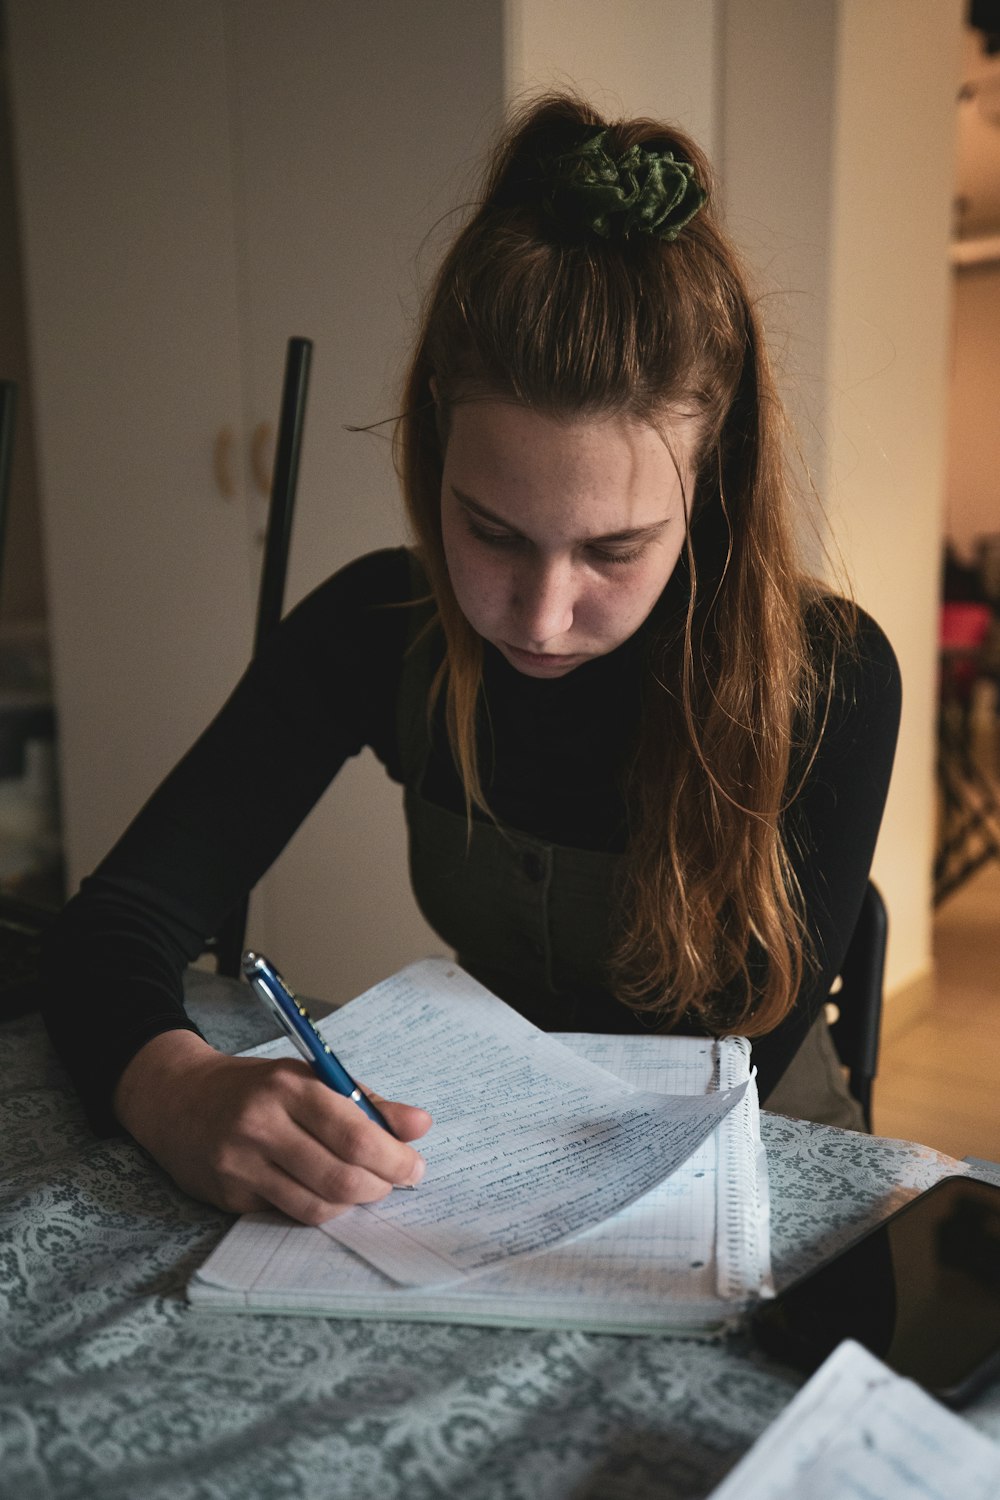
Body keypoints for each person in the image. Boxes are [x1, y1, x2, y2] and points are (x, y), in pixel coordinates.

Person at [40, 93, 900, 1227]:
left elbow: (708, 1073)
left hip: (751, 1166)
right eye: (490, 530)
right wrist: (176, 1087)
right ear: (434, 435)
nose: (539, 618)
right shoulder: (373, 626)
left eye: (614, 549)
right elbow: (120, 921)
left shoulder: (825, 678)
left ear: (710, 481)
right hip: (479, 1164)